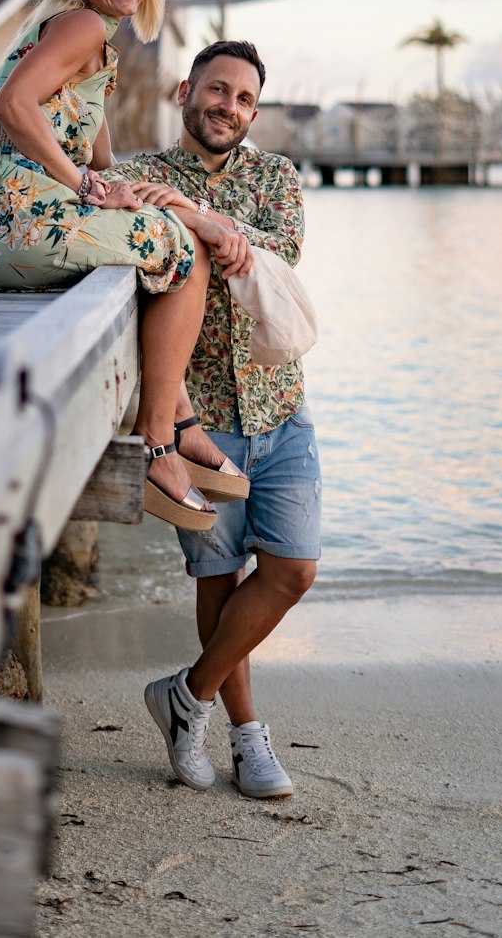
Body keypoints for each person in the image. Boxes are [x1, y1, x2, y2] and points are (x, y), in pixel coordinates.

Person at [0, 0, 252, 529]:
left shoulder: (83, 38)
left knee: (170, 230)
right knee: (183, 252)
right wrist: (92, 185)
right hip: (10, 223)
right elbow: (13, 106)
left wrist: (170, 201)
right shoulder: (79, 26)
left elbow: (109, 165)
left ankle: (178, 421)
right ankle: (160, 444)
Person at [107, 39, 321, 799]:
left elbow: (279, 250)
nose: (227, 107)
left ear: (253, 112)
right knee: (218, 577)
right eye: (216, 90)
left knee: (294, 568)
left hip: (280, 404)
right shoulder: (142, 173)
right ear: (184, 90)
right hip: (200, 418)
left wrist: (197, 216)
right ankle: (246, 736)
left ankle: (186, 696)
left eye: (242, 99)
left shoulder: (276, 176)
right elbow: (102, 202)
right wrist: (176, 214)